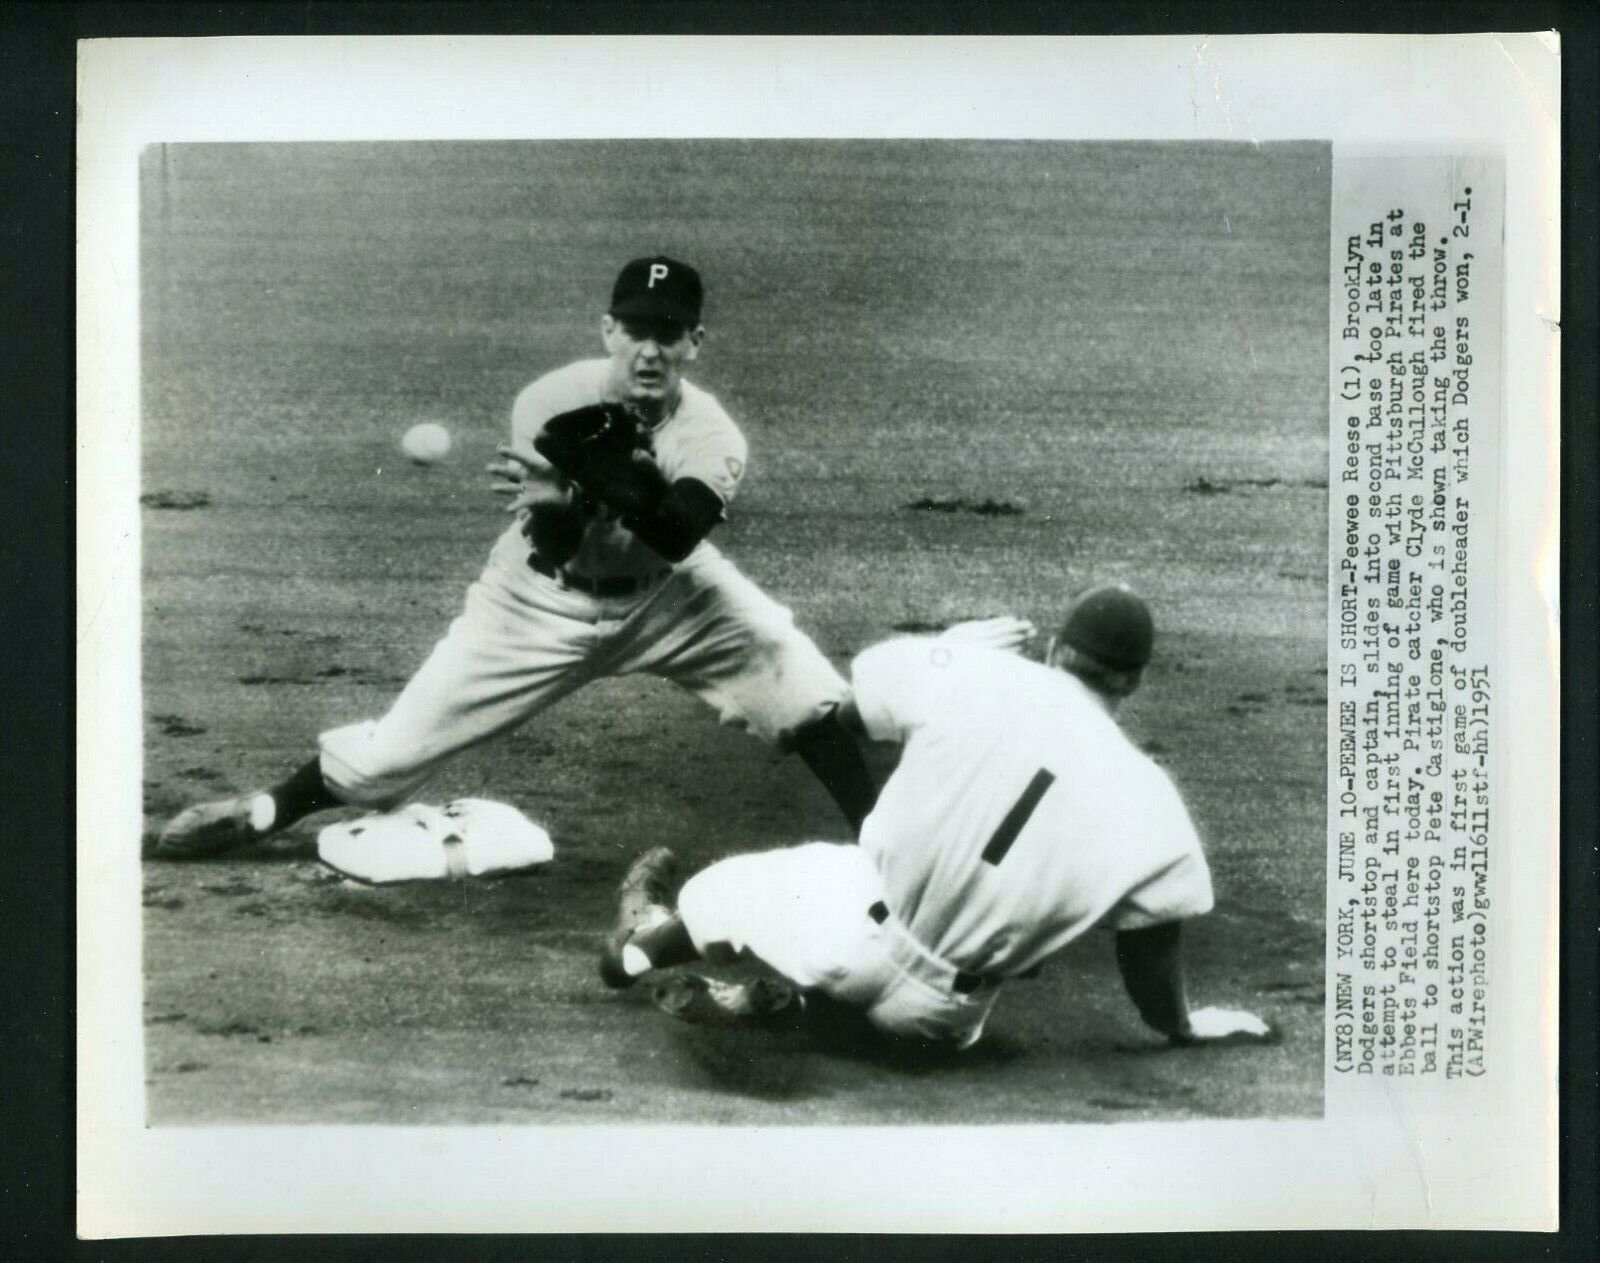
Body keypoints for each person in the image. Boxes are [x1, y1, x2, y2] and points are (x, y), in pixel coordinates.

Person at [155, 256, 877, 859]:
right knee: (388, 757)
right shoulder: (550, 398)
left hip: (671, 598)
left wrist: (591, 485)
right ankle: (260, 812)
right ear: (607, 330)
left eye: (668, 332)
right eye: (634, 330)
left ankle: (891, 855)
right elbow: (558, 538)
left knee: (808, 688)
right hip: (536, 601)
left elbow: (676, 536)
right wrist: (569, 504)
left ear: (695, 341)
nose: (649, 349)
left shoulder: (714, 436)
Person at [599, 587, 1277, 1052]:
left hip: (851, 927)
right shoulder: (1153, 798)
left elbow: (847, 716)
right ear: (1129, 682)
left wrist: (951, 645)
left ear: (1053, 651)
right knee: (936, 967)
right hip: (940, 1019)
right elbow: (1149, 953)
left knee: (751, 886)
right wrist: (1183, 1026)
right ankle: (801, 1011)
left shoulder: (976, 675)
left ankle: (641, 948)